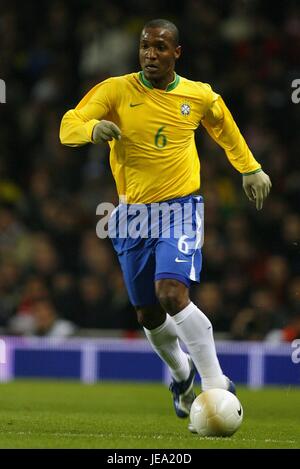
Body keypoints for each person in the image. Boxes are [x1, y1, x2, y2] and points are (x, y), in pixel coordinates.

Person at [60, 19, 271, 430]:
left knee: (172, 293)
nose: (150, 54)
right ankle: (181, 376)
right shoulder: (116, 90)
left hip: (181, 208)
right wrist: (92, 128)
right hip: (131, 215)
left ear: (177, 53)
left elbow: (223, 126)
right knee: (148, 313)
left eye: (159, 47)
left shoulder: (198, 95)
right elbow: (68, 125)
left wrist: (250, 168)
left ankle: (215, 384)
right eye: (144, 47)